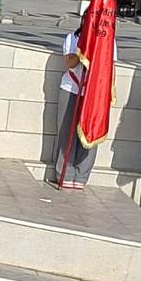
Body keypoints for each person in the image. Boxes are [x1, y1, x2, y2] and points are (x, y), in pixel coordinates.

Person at [56, 27, 95, 189]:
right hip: (71, 87)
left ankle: (82, 174)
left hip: (93, 92)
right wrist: (84, 46)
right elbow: (70, 63)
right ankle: (65, 172)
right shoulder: (72, 37)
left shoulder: (108, 41)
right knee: (67, 131)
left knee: (90, 134)